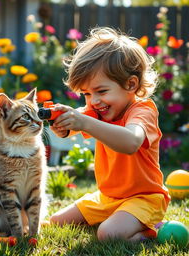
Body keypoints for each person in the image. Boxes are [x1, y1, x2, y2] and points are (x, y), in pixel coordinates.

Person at [48, 27, 170, 242]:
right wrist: (64, 124)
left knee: (108, 234)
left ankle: (151, 231)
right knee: (57, 220)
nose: (93, 101)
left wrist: (84, 121)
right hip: (108, 197)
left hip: (144, 198)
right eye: (86, 94)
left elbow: (131, 141)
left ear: (131, 84)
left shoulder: (142, 110)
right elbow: (74, 122)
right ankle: (120, 220)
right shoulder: (97, 110)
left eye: (101, 91)